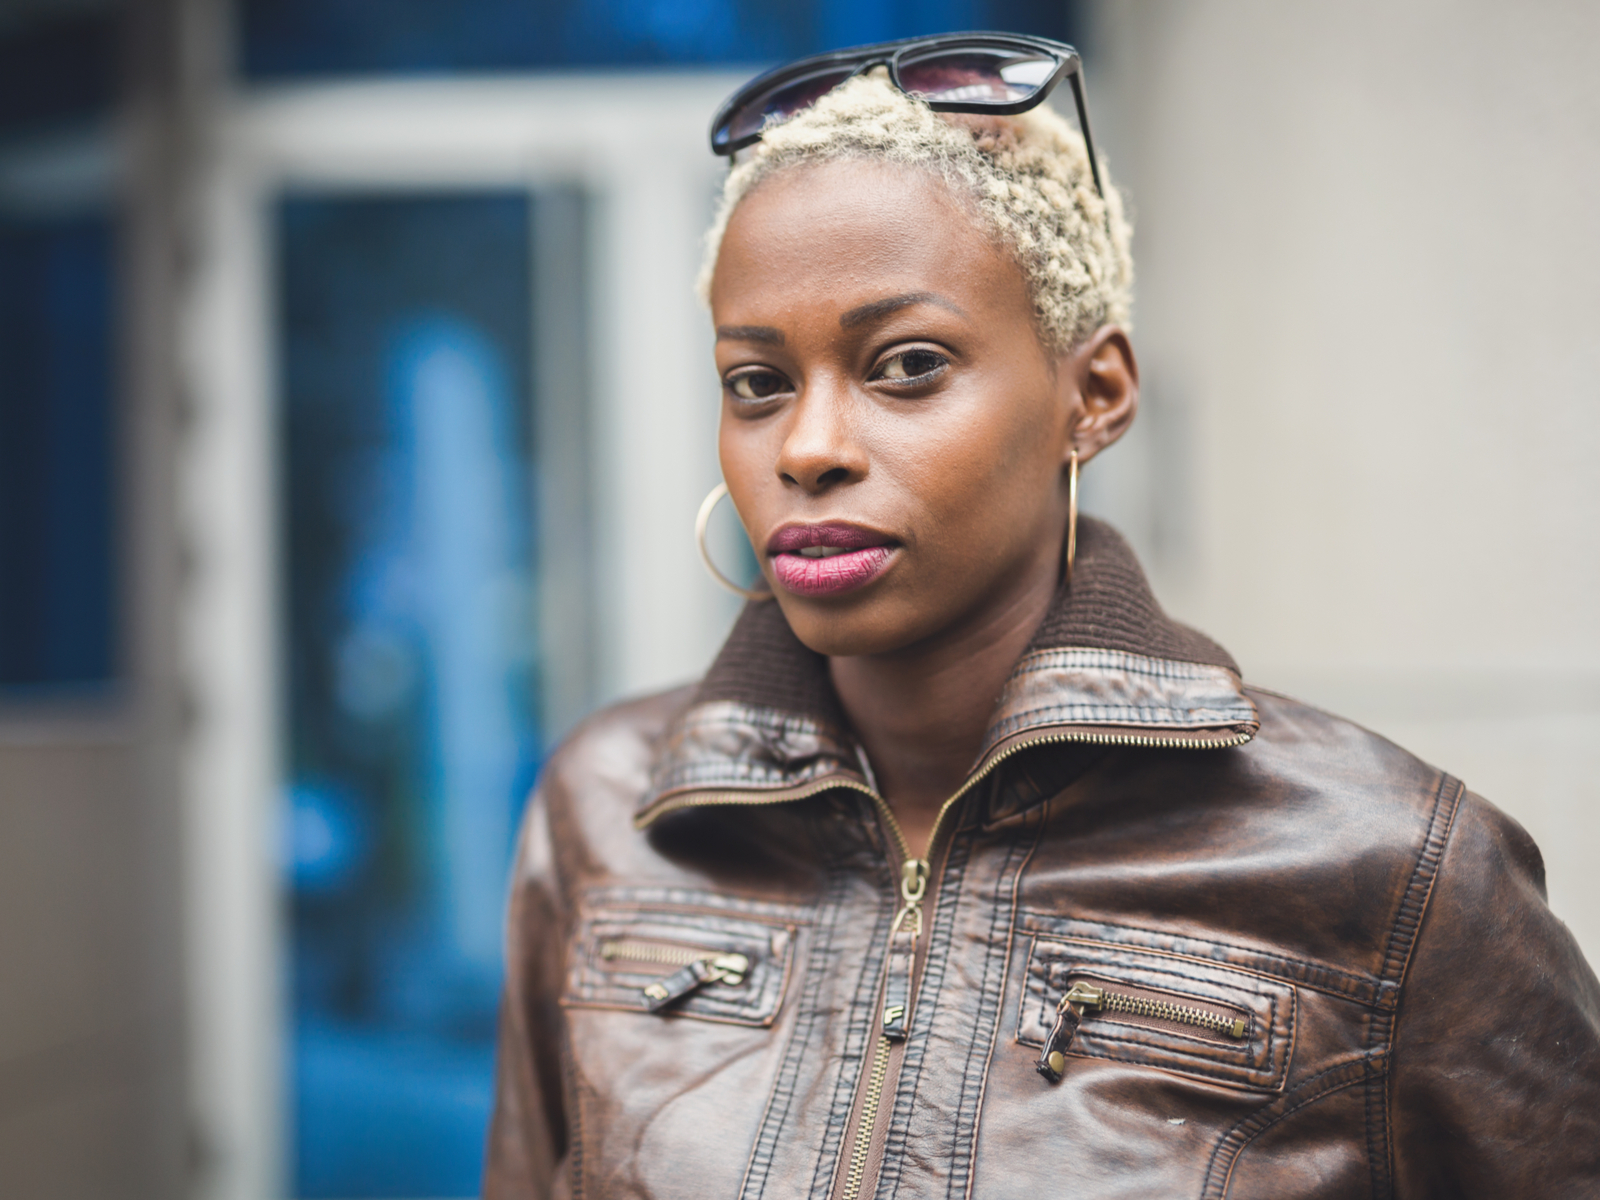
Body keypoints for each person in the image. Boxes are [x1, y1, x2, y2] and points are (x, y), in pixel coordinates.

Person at [484, 34, 1600, 1199]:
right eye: (757, 383)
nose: (808, 448)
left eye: (906, 364)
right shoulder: (611, 807)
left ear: (1094, 395)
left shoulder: (1393, 869)